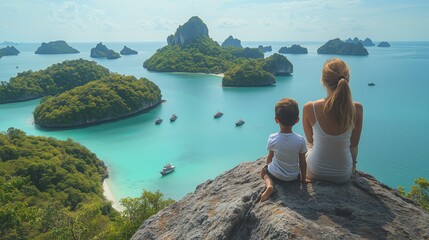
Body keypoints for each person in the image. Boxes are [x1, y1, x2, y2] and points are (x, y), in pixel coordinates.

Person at [302, 58, 363, 183]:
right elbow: (354, 146)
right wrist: (353, 166)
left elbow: (310, 142)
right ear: (348, 79)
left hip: (315, 170)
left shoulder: (310, 108)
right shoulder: (357, 109)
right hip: (343, 174)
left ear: (323, 81)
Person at [260, 98, 308, 202]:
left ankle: (269, 185)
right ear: (297, 120)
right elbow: (302, 162)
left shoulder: (273, 138)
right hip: (293, 177)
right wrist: (303, 179)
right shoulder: (300, 140)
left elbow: (270, 157)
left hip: (275, 175)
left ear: (276, 119)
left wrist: (268, 167)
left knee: (264, 172)